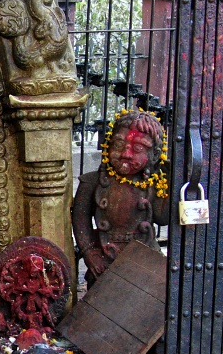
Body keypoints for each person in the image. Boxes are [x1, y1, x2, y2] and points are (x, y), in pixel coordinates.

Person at [72, 109, 169, 286]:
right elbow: (80, 219)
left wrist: (174, 181)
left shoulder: (153, 185)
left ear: (154, 155)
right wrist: (89, 251)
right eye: (118, 145)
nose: (126, 154)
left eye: (138, 148)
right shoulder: (92, 182)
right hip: (105, 255)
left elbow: (162, 218)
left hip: (144, 256)